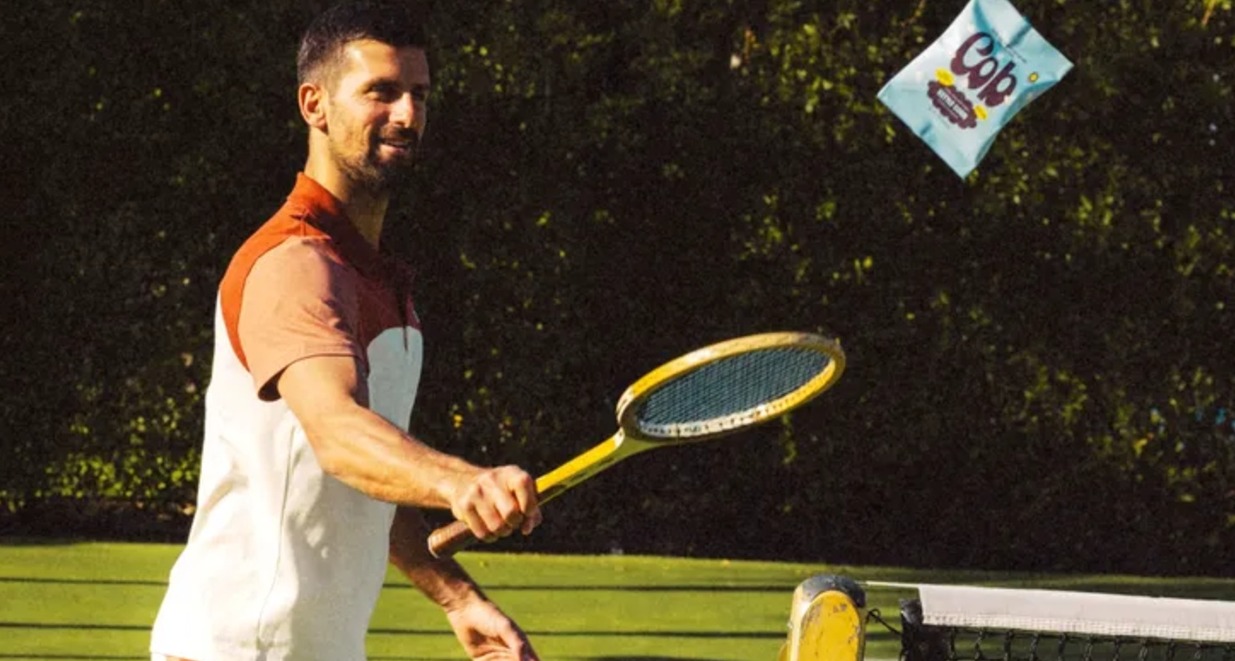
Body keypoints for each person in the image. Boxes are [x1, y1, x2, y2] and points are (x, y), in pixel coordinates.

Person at [150, 2, 542, 659]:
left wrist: (456, 596)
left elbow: (365, 478)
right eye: (380, 92)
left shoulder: (384, 281)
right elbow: (337, 434)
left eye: (418, 94)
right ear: (315, 104)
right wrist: (459, 481)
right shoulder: (292, 264)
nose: (408, 114)